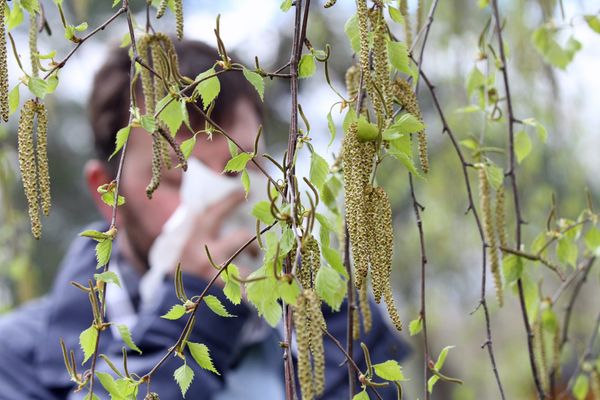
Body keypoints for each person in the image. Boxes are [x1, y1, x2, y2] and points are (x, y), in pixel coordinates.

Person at [0, 38, 409, 399]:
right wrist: (196, 310)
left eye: (241, 169)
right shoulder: (16, 360)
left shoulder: (337, 330)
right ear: (109, 196)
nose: (224, 202)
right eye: (179, 180)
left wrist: (332, 315)